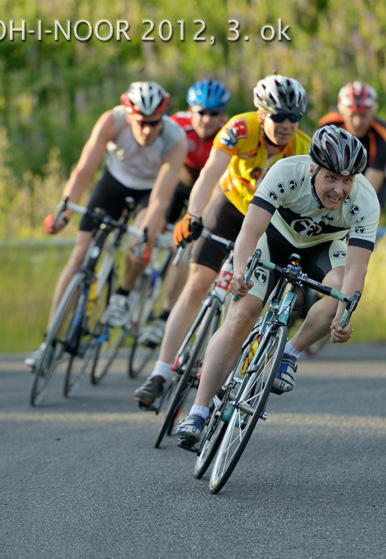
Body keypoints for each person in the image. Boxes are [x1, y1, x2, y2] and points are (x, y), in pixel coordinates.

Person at [174, 125, 380, 449]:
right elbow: (250, 230)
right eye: (331, 179)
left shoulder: (365, 201)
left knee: (341, 291)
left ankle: (289, 352)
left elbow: (358, 267)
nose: (340, 190)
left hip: (323, 247)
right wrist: (239, 272)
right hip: (274, 237)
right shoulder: (286, 172)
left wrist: (343, 315)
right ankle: (197, 412)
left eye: (348, 180)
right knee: (241, 317)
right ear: (313, 169)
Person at [132, 75, 311, 407]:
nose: (286, 124)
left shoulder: (302, 149)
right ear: (261, 115)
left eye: (294, 117)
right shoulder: (241, 128)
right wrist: (193, 214)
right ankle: (160, 372)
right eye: (278, 116)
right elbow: (210, 173)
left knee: (242, 306)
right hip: (229, 207)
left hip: (265, 224)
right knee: (198, 283)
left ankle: (216, 381)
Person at [25, 81, 188, 368]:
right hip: (113, 183)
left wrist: (146, 234)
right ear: (129, 115)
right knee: (79, 256)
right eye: (141, 123)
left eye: (154, 123)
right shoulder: (111, 121)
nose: (148, 130)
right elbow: (84, 169)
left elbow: (161, 200)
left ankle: (122, 296)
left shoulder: (175, 139)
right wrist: (64, 209)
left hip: (149, 192)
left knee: (142, 238)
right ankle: (48, 342)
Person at [136, 79, 231, 347]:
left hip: (205, 188)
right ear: (191, 110)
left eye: (214, 114)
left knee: (185, 246)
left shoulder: (228, 134)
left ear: (222, 115)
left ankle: (164, 315)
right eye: (200, 112)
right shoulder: (176, 124)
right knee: (150, 223)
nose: (206, 119)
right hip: (178, 182)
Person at [318, 81, 386, 210]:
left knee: (364, 209)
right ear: (342, 112)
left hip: (379, 175)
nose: (357, 122)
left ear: (372, 114)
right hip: (342, 168)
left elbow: (368, 189)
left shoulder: (382, 137)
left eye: (363, 116)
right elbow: (317, 169)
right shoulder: (328, 126)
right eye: (352, 115)